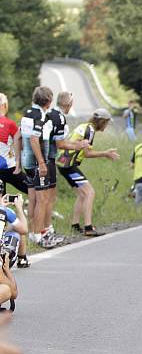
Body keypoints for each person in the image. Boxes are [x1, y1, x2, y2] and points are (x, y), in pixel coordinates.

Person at [56, 108, 119, 237]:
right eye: (106, 123)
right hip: (69, 165)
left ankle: (75, 225)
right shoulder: (89, 131)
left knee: (82, 194)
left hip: (63, 163)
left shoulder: (85, 126)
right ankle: (88, 227)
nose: (106, 126)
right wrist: (105, 153)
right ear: (102, 122)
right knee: (90, 192)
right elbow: (87, 153)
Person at [41, 91, 91, 247]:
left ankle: (42, 231)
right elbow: (60, 144)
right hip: (48, 158)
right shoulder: (60, 117)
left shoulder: (49, 113)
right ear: (69, 104)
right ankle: (46, 231)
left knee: (43, 197)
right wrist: (79, 145)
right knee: (48, 197)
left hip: (42, 157)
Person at [20, 86, 53, 248]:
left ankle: (32, 232)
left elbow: (19, 137)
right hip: (36, 162)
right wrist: (41, 162)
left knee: (33, 198)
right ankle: (37, 235)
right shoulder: (39, 114)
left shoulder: (26, 113)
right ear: (48, 101)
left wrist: (19, 163)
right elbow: (34, 138)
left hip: (27, 161)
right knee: (42, 199)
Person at [0, 94, 28, 195]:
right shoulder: (9, 124)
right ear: (4, 105)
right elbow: (21, 145)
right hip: (8, 168)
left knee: (1, 201)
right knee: (34, 191)